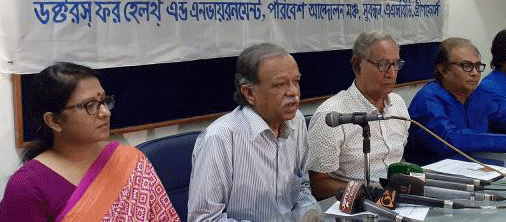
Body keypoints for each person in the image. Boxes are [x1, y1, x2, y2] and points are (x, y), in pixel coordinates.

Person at [0, 62, 179, 222]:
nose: (105, 113)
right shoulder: (27, 186)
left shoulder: (130, 160)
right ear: (54, 121)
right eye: (90, 105)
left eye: (104, 101)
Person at [188, 43, 320, 222]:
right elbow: (204, 219)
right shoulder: (219, 138)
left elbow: (302, 188)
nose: (294, 93)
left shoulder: (296, 123)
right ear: (249, 93)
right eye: (280, 85)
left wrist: (309, 213)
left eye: (296, 82)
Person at [405, 38, 506, 166]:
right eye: (466, 66)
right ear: (443, 70)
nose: (475, 73)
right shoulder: (428, 99)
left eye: (478, 66)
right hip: (434, 179)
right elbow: (452, 139)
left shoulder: (477, 95)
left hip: (477, 169)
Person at [307, 32, 410, 200]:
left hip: (396, 199)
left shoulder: (397, 104)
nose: (391, 73)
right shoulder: (332, 115)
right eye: (382, 64)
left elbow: (398, 158)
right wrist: (369, 192)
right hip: (354, 205)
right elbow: (318, 184)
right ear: (357, 64)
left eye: (395, 64)